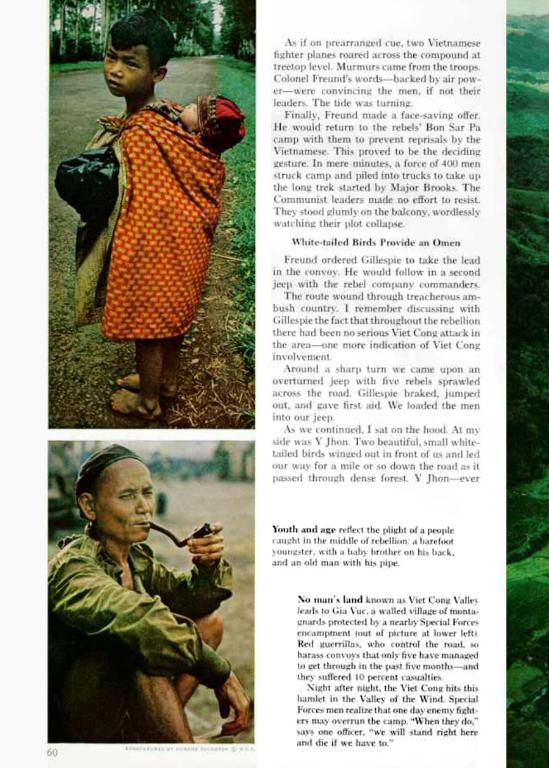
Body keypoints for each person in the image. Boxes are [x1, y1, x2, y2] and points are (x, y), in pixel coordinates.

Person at [72, 9, 243, 421]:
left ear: (158, 73)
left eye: (131, 63)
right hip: (183, 248)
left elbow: (152, 197)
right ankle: (166, 381)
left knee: (148, 328)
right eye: (111, 56)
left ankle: (148, 402)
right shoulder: (164, 115)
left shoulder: (146, 132)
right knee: (172, 318)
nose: (115, 70)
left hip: (155, 250)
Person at [48, 445, 252, 742]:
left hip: (112, 703)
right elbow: (138, 619)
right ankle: (178, 749)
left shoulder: (135, 559)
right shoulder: (73, 567)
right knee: (141, 645)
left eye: (147, 492)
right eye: (127, 496)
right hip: (70, 720)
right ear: (89, 507)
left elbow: (192, 598)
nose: (144, 506)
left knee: (209, 624)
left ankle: (150, 735)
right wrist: (220, 673)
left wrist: (208, 567)